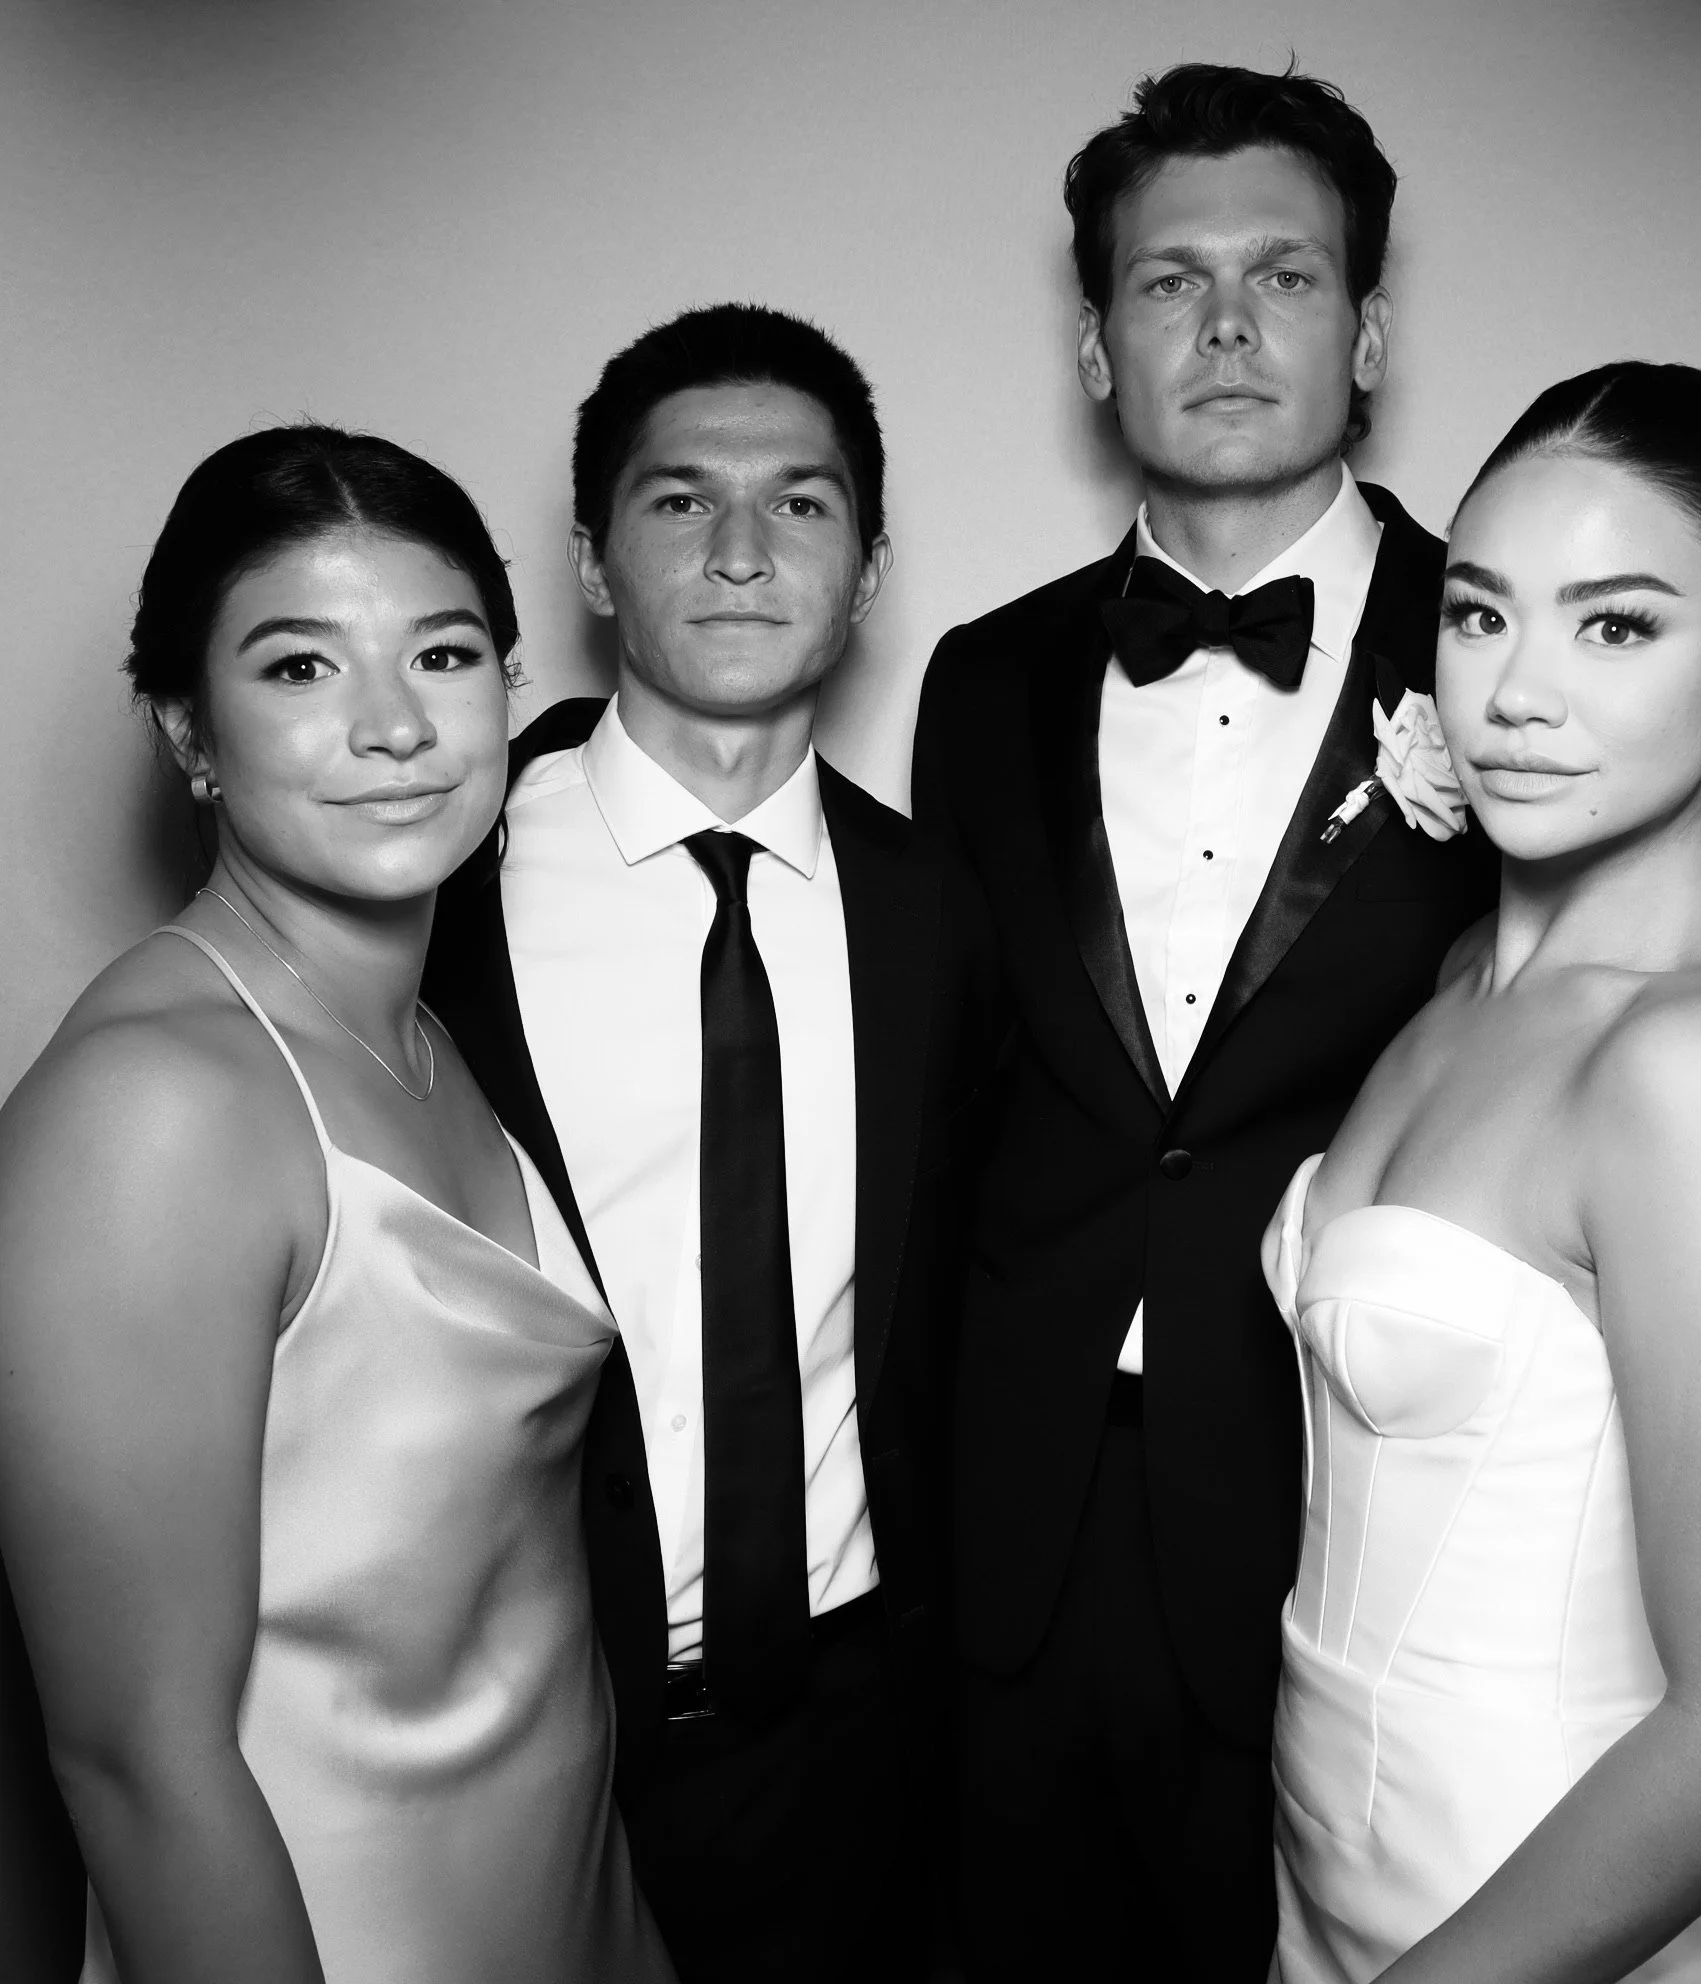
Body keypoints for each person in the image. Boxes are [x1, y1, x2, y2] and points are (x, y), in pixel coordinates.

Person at [911, 64, 1701, 1981]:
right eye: (1168, 284)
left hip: (1345, 1586)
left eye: (1286, 277)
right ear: (1095, 340)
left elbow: (1685, 1079)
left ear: (1372, 329)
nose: (1226, 326)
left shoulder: (1507, 646)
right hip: (1036, 1548)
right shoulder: (982, 685)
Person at [1261, 358, 1701, 1983]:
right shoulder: (1457, 989)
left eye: (1618, 626)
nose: (1516, 695)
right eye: (1483, 615)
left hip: (1539, 1913)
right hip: (1332, 1864)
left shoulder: (1699, 1065)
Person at [0, 428, 671, 1983]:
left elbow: (523, 1620)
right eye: (300, 669)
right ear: (188, 725)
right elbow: (132, 1760)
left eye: (441, 654)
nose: (391, 727)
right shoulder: (155, 1110)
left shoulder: (431, 1037)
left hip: (563, 1911)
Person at [424, 302, 992, 1983]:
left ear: (869, 566)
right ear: (594, 563)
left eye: (800, 504)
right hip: (517, 1730)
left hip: (855, 1745)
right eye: (682, 503)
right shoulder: (436, 881)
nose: (743, 553)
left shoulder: (941, 919)